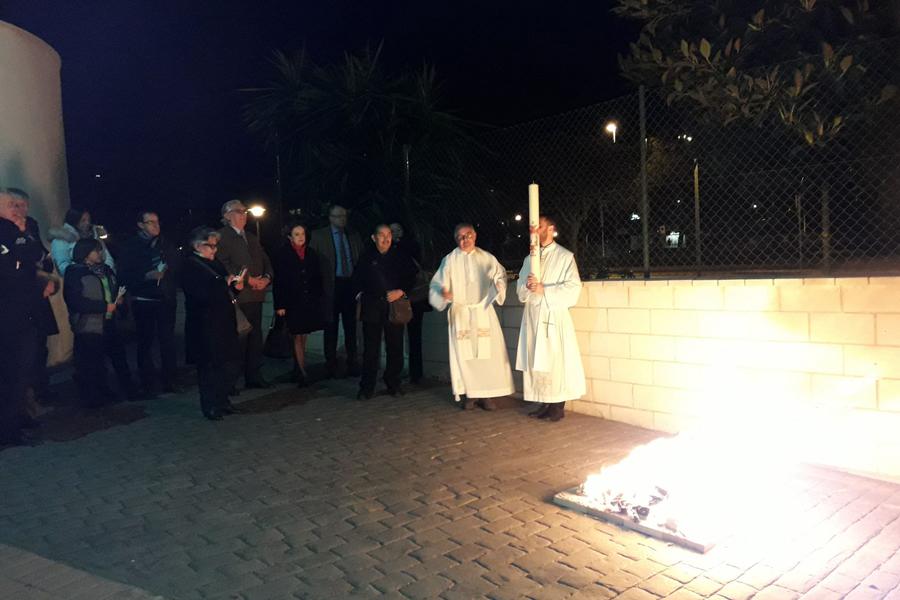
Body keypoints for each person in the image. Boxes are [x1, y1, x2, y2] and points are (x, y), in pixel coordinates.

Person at [429, 223, 514, 410]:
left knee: (488, 356)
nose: (464, 240)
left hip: (482, 311)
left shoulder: (486, 258)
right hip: (461, 315)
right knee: (465, 357)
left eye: (467, 235)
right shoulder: (449, 260)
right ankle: (470, 395)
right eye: (459, 237)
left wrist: (499, 285)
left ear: (474, 236)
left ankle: (487, 396)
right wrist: (443, 294)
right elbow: (436, 285)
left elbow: (500, 275)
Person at [515, 215, 586, 422]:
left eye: (539, 227)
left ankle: (557, 406)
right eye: (532, 228)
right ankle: (544, 402)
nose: (534, 231)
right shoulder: (529, 259)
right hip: (533, 316)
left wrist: (544, 290)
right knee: (536, 360)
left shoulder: (564, 256)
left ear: (551, 228)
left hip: (553, 316)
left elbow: (573, 288)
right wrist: (527, 288)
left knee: (555, 360)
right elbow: (520, 290)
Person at [63, 238, 136, 407]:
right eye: (96, 250)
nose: (100, 253)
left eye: (100, 250)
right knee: (92, 363)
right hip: (89, 325)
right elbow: (75, 301)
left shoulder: (106, 270)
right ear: (85, 253)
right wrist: (104, 306)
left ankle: (128, 390)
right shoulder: (75, 272)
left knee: (119, 358)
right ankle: (94, 398)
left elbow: (114, 287)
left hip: (110, 323)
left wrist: (119, 303)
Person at [182, 227, 246, 420]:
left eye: (215, 246)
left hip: (224, 321)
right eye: (210, 246)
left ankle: (223, 400)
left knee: (228, 363)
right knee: (209, 367)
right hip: (204, 325)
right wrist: (223, 284)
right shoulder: (190, 266)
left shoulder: (216, 263)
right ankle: (210, 405)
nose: (214, 250)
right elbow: (200, 295)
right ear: (197, 245)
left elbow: (226, 292)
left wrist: (237, 287)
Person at [118, 210, 182, 396]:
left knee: (167, 341)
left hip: (165, 298)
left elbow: (176, 265)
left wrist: (168, 274)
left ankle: (170, 380)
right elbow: (124, 273)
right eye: (150, 222)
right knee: (145, 342)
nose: (156, 225)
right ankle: (148, 382)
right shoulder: (131, 246)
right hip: (144, 299)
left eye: (157, 222)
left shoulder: (164, 243)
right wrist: (145, 276)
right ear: (140, 225)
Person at [353, 224, 417, 400]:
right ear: (374, 238)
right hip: (372, 308)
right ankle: (367, 387)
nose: (386, 238)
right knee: (370, 350)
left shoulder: (401, 256)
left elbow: (412, 277)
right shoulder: (366, 257)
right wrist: (361, 295)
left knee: (395, 347)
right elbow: (356, 280)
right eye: (381, 235)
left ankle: (393, 383)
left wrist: (401, 291)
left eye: (388, 234)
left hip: (394, 308)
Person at [215, 199, 273, 389]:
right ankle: (231, 380)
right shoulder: (221, 237)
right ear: (226, 215)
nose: (244, 215)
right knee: (237, 338)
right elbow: (223, 264)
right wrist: (248, 281)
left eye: (245, 211)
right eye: (239, 211)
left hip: (256, 295)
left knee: (255, 337)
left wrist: (266, 278)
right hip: (239, 297)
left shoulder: (251, 237)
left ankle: (253, 375)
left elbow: (265, 259)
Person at [10, 189, 60, 408]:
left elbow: (40, 254)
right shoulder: (6, 230)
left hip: (37, 294)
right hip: (18, 299)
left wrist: (45, 268)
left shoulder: (31, 224)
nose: (23, 210)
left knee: (40, 345)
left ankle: (41, 390)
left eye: (25, 205)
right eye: (17, 205)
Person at [0, 189, 41, 445]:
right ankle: (8, 431)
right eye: (11, 205)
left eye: (21, 205)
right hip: (7, 312)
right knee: (11, 371)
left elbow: (38, 256)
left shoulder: (26, 228)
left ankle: (18, 417)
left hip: (25, 310)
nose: (18, 210)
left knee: (24, 368)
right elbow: (13, 267)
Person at [310, 205, 363, 378]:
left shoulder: (353, 235)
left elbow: (360, 259)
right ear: (330, 218)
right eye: (338, 216)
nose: (342, 219)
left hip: (349, 285)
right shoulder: (319, 236)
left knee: (351, 326)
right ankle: (331, 364)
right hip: (331, 286)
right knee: (330, 326)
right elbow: (313, 263)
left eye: (344, 216)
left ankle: (352, 362)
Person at [273, 221, 325, 388]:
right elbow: (279, 281)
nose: (300, 237)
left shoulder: (311, 253)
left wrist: (318, 298)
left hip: (307, 301)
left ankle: (299, 368)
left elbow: (317, 277)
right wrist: (280, 305)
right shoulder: (283, 254)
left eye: (302, 234)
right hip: (292, 301)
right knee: (296, 335)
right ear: (290, 237)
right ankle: (302, 372)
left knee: (303, 335)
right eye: (297, 234)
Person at [390, 222, 431, 385]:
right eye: (392, 230)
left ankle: (415, 373)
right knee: (400, 337)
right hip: (406, 298)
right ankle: (411, 373)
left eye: (398, 230)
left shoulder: (406, 247)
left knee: (413, 337)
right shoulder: (409, 246)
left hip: (412, 297)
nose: (395, 233)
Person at [48, 207, 115, 276]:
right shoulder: (61, 239)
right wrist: (86, 274)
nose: (87, 223)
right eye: (83, 220)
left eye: (89, 220)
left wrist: (107, 272)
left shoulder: (93, 234)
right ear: (74, 221)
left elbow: (106, 256)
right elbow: (62, 266)